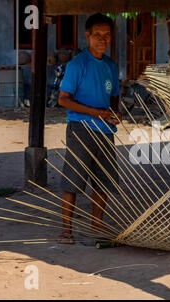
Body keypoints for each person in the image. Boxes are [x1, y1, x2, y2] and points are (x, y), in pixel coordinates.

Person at [57, 13, 121, 244]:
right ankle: (66, 231)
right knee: (72, 181)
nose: (102, 40)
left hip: (105, 130)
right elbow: (63, 99)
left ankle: (97, 226)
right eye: (97, 35)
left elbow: (113, 96)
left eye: (106, 35)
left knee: (102, 180)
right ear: (87, 36)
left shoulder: (111, 66)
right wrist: (97, 113)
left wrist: (113, 112)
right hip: (81, 129)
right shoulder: (77, 65)